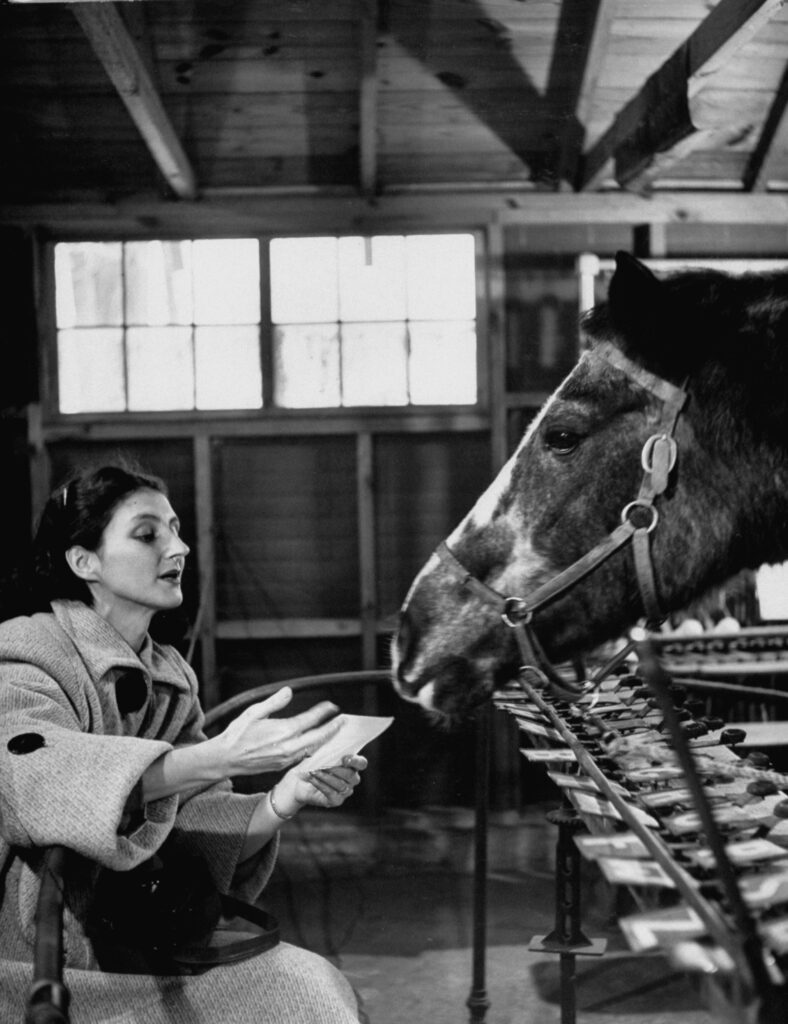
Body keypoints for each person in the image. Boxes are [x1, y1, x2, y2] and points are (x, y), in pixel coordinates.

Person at [0, 461, 367, 1024]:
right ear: (83, 561)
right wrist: (215, 757)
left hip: (142, 944)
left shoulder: (169, 676)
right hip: (37, 964)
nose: (179, 548)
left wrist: (282, 800)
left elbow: (194, 826)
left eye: (174, 529)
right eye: (148, 534)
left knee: (317, 991)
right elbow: (30, 776)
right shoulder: (26, 649)